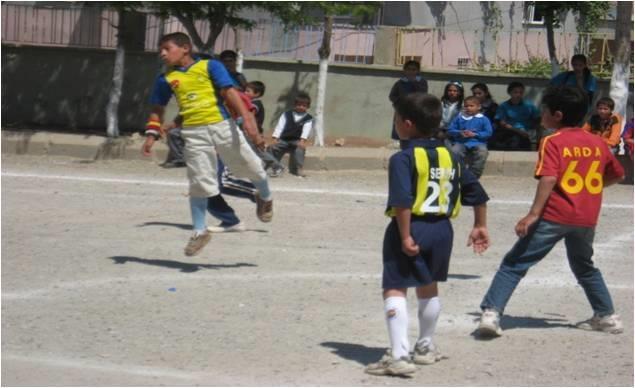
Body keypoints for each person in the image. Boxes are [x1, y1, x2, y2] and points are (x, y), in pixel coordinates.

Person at [476, 86, 625, 338]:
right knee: (584, 266)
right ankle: (607, 315)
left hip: (555, 215)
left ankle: (491, 312)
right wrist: (591, 190)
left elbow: (548, 178)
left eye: (544, 111)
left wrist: (533, 214)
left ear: (556, 115)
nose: (541, 115)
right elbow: (617, 175)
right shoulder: (597, 142)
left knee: (514, 263)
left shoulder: (552, 141)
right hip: (586, 217)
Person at [365, 93, 490, 377]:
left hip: (413, 226)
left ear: (406, 124)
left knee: (395, 285)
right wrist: (480, 224)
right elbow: (478, 194)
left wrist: (406, 236)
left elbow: (402, 201)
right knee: (429, 285)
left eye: (396, 119)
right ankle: (425, 347)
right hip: (443, 230)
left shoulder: (403, 158)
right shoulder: (452, 156)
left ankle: (398, 356)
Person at [142, 32, 273, 256]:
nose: (162, 53)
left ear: (185, 48)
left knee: (253, 168)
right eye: (160, 50)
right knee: (199, 183)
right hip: (193, 134)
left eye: (167, 48)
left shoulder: (210, 66)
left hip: (222, 126)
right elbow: (157, 107)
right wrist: (152, 133)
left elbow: (230, 94)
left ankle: (265, 196)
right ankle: (199, 231)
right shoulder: (165, 79)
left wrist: (249, 122)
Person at [245, 81, 286, 177]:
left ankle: (277, 166)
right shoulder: (252, 103)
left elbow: (250, 117)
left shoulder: (255, 104)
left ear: (257, 94)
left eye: (248, 91)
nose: (245, 93)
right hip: (250, 132)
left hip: (254, 133)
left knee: (259, 152)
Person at [268, 92, 313, 177]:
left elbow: (306, 130)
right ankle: (275, 167)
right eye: (299, 105)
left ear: (308, 107)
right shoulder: (286, 114)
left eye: (304, 106)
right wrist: (275, 138)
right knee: (271, 148)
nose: (301, 107)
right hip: (284, 139)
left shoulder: (308, 118)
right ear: (294, 105)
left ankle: (299, 168)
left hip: (296, 140)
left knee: (300, 149)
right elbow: (280, 126)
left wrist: (302, 140)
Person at [447, 96, 493, 178]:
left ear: (478, 107)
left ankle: (475, 174)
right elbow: (450, 130)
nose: (468, 108)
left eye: (471, 106)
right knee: (454, 151)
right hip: (461, 142)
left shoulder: (483, 119)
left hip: (478, 142)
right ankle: (456, 173)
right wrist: (460, 133)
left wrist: (476, 134)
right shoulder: (459, 118)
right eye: (466, 106)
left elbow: (488, 132)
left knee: (482, 152)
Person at [491, 82, 540, 150]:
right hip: (511, 132)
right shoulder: (504, 106)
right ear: (509, 93)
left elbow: (537, 120)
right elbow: (502, 123)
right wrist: (519, 131)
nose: (518, 95)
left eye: (521, 92)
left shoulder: (529, 106)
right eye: (515, 92)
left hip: (527, 132)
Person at [388, 60, 429, 141]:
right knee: (400, 124)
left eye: (414, 69)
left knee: (414, 127)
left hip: (416, 110)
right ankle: (397, 140)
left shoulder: (422, 82)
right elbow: (392, 96)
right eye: (409, 69)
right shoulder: (400, 83)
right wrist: (398, 103)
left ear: (418, 71)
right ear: (405, 70)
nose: (411, 72)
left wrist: (414, 83)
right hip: (402, 110)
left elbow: (423, 94)